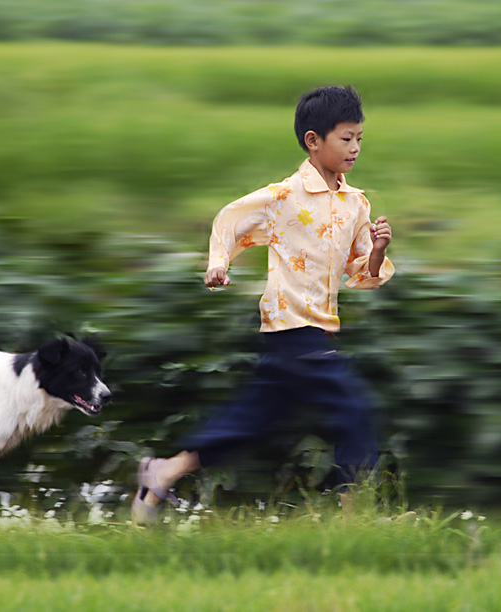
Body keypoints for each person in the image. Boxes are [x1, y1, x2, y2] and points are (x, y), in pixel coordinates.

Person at [132, 85, 395, 525]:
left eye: (360, 139)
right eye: (345, 138)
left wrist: (379, 250)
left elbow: (363, 274)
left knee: (252, 421)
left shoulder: (356, 204)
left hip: (314, 331)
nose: (355, 148)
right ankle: (355, 518)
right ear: (314, 141)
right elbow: (230, 220)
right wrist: (218, 264)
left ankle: (163, 472)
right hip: (293, 329)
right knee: (354, 411)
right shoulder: (283, 197)